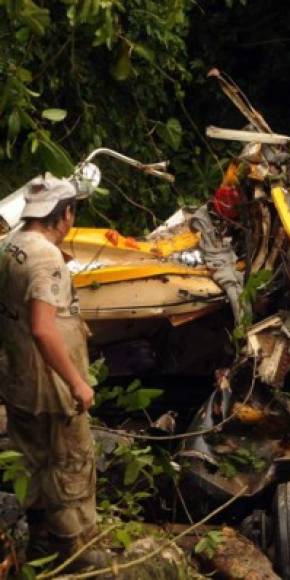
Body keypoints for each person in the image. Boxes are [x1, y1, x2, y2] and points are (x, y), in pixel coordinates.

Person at [0, 174, 99, 562]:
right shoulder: (46, 257)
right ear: (65, 214)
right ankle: (76, 552)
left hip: (18, 378)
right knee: (70, 464)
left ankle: (40, 541)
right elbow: (43, 328)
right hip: (50, 387)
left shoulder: (10, 244)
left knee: (33, 461)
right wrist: (77, 383)